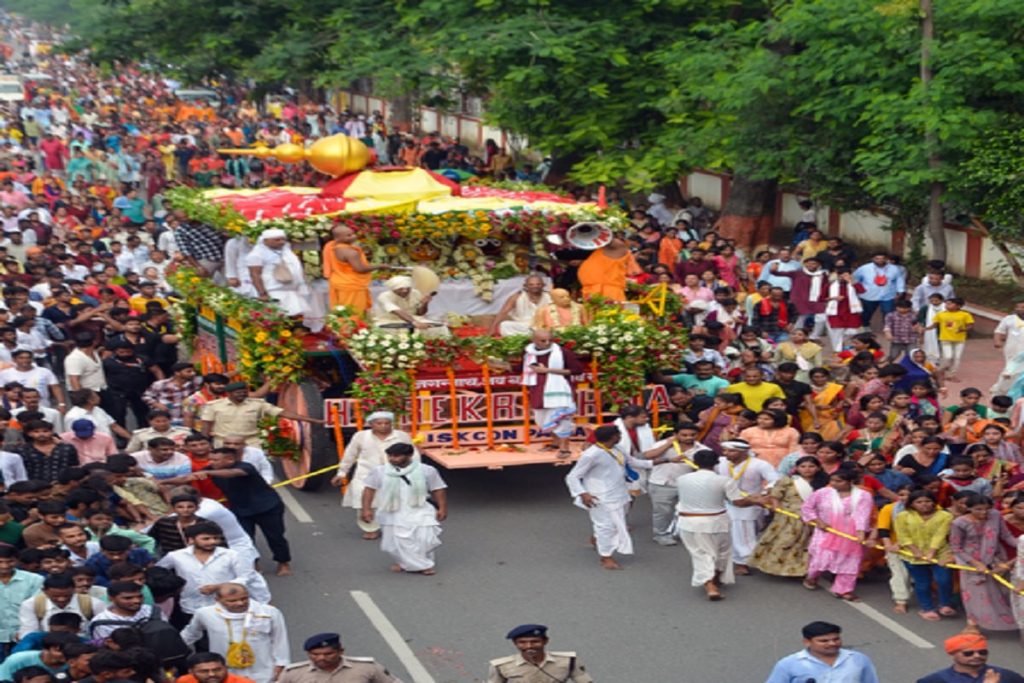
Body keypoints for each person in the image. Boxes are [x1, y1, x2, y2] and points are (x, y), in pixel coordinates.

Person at [168, 447, 292, 576]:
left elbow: (233, 473)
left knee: (275, 536)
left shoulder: (245, 467)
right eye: (211, 459)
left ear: (230, 459)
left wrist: (210, 473)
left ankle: (283, 562)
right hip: (240, 509)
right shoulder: (211, 469)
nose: (211, 462)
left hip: (267, 508)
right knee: (246, 538)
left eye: (216, 460)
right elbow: (186, 479)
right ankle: (253, 563)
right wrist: (162, 482)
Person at [564, 425, 654, 570]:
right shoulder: (591, 454)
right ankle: (606, 557)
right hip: (599, 496)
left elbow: (632, 462)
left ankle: (597, 539)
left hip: (620, 493)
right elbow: (573, 476)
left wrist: (659, 463)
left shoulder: (618, 449)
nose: (620, 436)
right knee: (606, 526)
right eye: (619, 434)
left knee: (616, 523)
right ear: (613, 437)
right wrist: (583, 494)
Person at [360, 443, 448, 575]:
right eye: (390, 456)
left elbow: (438, 489)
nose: (392, 459)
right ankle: (422, 565)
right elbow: (369, 489)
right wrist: (366, 509)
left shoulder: (427, 470)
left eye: (397, 456)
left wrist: (442, 508)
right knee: (395, 544)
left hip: (421, 510)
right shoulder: (379, 471)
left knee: (426, 539)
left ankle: (411, 563)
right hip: (392, 512)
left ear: (409, 455)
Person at [675, 449, 746, 600]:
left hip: (688, 522)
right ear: (717, 463)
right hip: (716, 522)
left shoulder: (682, 479)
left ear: (695, 462)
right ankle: (712, 583)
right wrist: (757, 501)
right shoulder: (725, 481)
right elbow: (738, 502)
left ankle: (711, 582)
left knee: (700, 554)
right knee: (722, 552)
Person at [181, 584, 289, 683]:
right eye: (232, 601)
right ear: (217, 600)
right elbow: (191, 634)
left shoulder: (268, 612)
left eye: (244, 598)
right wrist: (170, 650)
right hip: (225, 672)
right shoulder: (205, 614)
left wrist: (281, 664)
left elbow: (279, 639)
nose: (240, 603)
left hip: (262, 670)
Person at [156, 523, 270, 616]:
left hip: (226, 607)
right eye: (206, 539)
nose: (212, 542)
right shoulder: (175, 556)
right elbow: (158, 571)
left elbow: (247, 577)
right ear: (191, 540)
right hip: (191, 607)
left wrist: (219, 587)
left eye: (216, 538)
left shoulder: (231, 555)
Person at [329, 411, 412, 540]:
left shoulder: (402, 436)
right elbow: (350, 455)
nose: (383, 426)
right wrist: (342, 473)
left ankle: (396, 526)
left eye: (387, 423)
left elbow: (413, 455)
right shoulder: (360, 436)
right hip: (366, 475)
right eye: (379, 423)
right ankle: (370, 528)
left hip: (395, 474)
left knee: (397, 502)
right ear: (371, 424)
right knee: (365, 502)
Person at [800, 468, 873, 601]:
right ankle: (812, 577)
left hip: (849, 533)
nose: (833, 483)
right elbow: (807, 507)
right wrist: (818, 521)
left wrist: (861, 533)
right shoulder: (823, 493)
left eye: (838, 481)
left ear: (850, 482)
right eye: (832, 480)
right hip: (826, 531)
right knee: (821, 558)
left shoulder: (863, 495)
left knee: (850, 560)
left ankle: (843, 589)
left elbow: (862, 515)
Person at [949, 493, 1017, 631]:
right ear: (969, 508)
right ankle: (972, 624)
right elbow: (956, 547)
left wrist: (1021, 545)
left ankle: (1008, 622)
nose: (983, 512)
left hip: (996, 558)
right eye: (978, 509)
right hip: (970, 562)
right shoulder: (959, 523)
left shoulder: (995, 516)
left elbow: (1006, 535)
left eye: (986, 508)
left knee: (1001, 592)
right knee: (976, 595)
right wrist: (976, 563)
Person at [750, 456, 826, 578]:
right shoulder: (788, 480)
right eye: (803, 466)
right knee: (784, 541)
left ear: (818, 468)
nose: (807, 469)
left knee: (804, 544)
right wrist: (776, 506)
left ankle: (799, 570)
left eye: (811, 466)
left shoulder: (823, 483)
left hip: (810, 518)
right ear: (797, 468)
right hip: (787, 517)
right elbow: (776, 495)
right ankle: (773, 567)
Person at [198, 382, 322, 447]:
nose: (242, 394)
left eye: (244, 392)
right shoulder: (213, 406)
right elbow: (206, 427)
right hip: (224, 443)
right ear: (229, 394)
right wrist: (205, 444)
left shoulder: (258, 404)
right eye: (238, 393)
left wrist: (312, 420)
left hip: (251, 442)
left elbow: (282, 413)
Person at [895, 490, 956, 621]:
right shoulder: (903, 516)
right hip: (912, 554)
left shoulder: (945, 515)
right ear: (912, 504)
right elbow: (903, 535)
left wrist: (931, 552)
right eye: (919, 502)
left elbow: (941, 534)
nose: (924, 505)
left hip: (940, 553)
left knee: (944, 579)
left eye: (928, 501)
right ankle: (926, 608)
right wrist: (914, 550)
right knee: (922, 582)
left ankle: (945, 604)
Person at [522, 329, 583, 458]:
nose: (547, 343)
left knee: (562, 419)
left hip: (559, 390)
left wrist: (548, 370)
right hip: (539, 389)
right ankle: (555, 443)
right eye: (543, 341)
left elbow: (577, 370)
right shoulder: (529, 353)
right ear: (534, 340)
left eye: (550, 340)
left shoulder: (563, 352)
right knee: (544, 418)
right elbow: (524, 368)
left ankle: (564, 448)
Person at [643, 422, 703, 546]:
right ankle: (661, 534)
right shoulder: (662, 444)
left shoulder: (702, 449)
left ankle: (683, 533)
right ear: (676, 434)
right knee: (662, 512)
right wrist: (668, 444)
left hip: (688, 485)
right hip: (662, 483)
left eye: (692, 435)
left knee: (688, 511)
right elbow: (648, 456)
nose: (688, 438)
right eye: (684, 435)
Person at [764, 621, 879, 683]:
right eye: (824, 641)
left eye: (836, 639)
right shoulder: (789, 665)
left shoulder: (858, 660)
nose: (832, 644)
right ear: (807, 642)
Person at [486, 624, 593, 683]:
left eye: (535, 641)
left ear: (545, 641)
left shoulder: (569, 661)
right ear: (515, 644)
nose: (529, 646)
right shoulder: (501, 666)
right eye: (522, 643)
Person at [278, 632, 399, 683]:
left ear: (340, 651)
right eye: (315, 654)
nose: (321, 658)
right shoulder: (293, 674)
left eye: (328, 654)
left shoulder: (367, 668)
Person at [916, 627, 1024, 683]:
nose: (977, 656)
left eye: (982, 652)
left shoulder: (1004, 675)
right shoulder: (936, 680)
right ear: (953, 654)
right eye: (968, 653)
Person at [322, 224, 389, 313]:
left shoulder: (330, 246)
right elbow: (360, 269)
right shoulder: (350, 252)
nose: (353, 237)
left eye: (353, 233)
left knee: (342, 311)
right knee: (354, 312)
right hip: (351, 285)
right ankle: (353, 326)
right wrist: (379, 266)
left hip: (339, 281)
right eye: (348, 235)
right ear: (337, 238)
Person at [245, 229, 311, 318]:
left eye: (283, 239)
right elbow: (255, 274)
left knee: (296, 317)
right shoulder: (256, 254)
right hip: (273, 292)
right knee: (278, 318)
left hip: (291, 291)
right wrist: (262, 294)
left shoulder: (286, 250)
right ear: (266, 240)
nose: (282, 242)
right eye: (277, 240)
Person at [0, 544, 44, 656]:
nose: (5, 566)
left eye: (10, 561)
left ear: (17, 561)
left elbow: (37, 607)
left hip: (25, 635)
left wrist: (25, 632)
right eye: (0, 562)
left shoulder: (34, 580)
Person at [371, 275, 448, 337]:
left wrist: (425, 303)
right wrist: (414, 322)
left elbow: (419, 313)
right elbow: (397, 311)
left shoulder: (415, 293)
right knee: (392, 331)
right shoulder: (384, 296)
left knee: (439, 327)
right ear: (393, 289)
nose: (405, 291)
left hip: (415, 319)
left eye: (407, 288)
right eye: (400, 289)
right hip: (388, 321)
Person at [853, 251, 905, 328]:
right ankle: (865, 326)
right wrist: (857, 291)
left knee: (888, 313)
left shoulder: (895, 269)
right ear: (872, 259)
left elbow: (899, 280)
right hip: (869, 295)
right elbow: (855, 279)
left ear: (887, 259)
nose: (880, 260)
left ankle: (887, 328)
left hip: (888, 295)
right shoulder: (864, 268)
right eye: (877, 259)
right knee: (867, 312)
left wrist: (900, 292)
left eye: (882, 258)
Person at [577, 237, 638, 302]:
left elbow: (611, 241)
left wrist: (603, 234)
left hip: (608, 292)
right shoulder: (600, 251)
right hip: (591, 290)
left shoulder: (620, 249)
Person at [992, 299, 1024, 395]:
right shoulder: (1009, 319)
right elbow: (999, 331)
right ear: (1016, 308)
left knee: (1019, 371)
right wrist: (997, 341)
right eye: (1021, 307)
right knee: (1010, 371)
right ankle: (999, 390)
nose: (1022, 309)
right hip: (1012, 350)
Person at [179, 652, 257, 683]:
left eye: (217, 670)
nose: (212, 674)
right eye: (204, 671)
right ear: (191, 672)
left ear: (225, 668)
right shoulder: (185, 681)